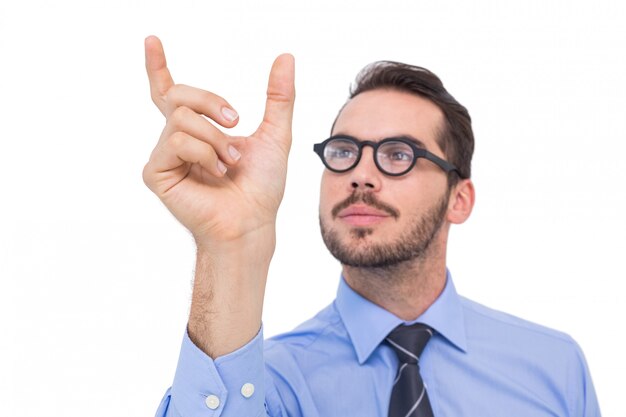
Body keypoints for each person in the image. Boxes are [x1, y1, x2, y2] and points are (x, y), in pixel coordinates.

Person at [143, 35, 601, 417]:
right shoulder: (269, 386)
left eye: (399, 154)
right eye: (344, 151)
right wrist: (229, 248)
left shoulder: (554, 367)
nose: (361, 174)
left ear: (458, 200)